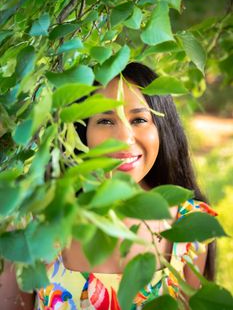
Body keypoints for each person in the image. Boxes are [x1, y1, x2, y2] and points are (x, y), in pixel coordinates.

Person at [0, 62, 217, 309]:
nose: (124, 138)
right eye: (105, 121)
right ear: (81, 133)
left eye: (139, 119)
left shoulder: (191, 227)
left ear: (162, 129)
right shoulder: (32, 224)